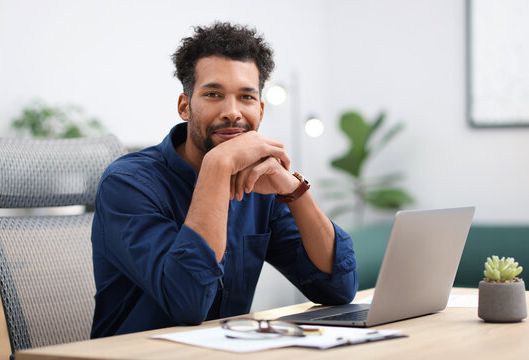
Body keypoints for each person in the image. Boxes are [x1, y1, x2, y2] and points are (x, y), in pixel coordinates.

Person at [90, 22, 358, 338]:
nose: (232, 112)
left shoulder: (260, 182)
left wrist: (294, 191)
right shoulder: (127, 184)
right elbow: (188, 304)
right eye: (214, 94)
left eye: (246, 97)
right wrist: (217, 167)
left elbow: (338, 287)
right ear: (185, 106)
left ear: (260, 108)